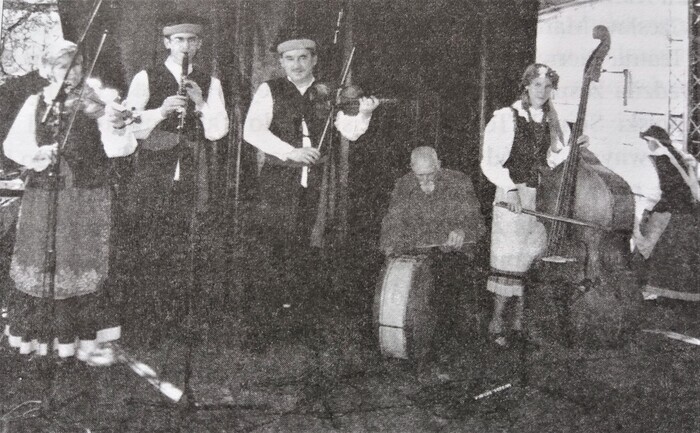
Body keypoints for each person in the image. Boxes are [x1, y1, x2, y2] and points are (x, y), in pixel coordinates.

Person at [2, 39, 137, 364]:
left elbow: (120, 148)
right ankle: (44, 343)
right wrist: (37, 153)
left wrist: (118, 125)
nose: (71, 72)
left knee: (80, 262)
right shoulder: (37, 102)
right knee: (44, 262)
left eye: (76, 65)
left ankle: (81, 345)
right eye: (63, 66)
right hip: (45, 195)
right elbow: (13, 145)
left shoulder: (99, 100)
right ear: (49, 70)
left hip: (86, 196)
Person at [242, 28, 379, 342]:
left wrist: (364, 114)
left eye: (303, 57)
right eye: (290, 58)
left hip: (316, 182)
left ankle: (301, 326)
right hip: (278, 181)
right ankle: (263, 328)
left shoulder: (328, 92)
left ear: (314, 60)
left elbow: (350, 131)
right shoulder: (269, 89)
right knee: (272, 249)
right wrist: (291, 151)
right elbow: (253, 131)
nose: (297, 64)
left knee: (307, 253)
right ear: (281, 62)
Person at [123, 15, 229, 331]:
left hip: (193, 168)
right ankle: (148, 318)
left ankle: (182, 318)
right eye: (179, 40)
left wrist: (201, 103)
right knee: (151, 238)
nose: (185, 46)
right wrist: (161, 111)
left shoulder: (210, 82)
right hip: (154, 169)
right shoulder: (146, 77)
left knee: (188, 240)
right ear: (167, 43)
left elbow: (218, 131)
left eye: (191, 40)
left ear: (199, 44)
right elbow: (128, 126)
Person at [481, 63, 584, 346]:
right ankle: (497, 324)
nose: (542, 91)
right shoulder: (507, 117)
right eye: (537, 84)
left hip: (538, 198)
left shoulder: (552, 120)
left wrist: (570, 150)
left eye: (548, 86)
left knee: (530, 260)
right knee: (509, 261)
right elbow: (489, 162)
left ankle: (519, 325)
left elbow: (550, 161)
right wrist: (510, 189)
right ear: (526, 86)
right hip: (512, 196)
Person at [380, 146, 485, 343]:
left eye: (431, 174)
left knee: (445, 285)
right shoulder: (403, 185)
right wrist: (391, 247)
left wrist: (463, 231)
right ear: (411, 168)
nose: (426, 180)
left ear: (439, 165)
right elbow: (391, 223)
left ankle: (444, 344)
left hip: (450, 253)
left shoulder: (459, 182)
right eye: (420, 175)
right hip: (415, 253)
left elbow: (477, 223)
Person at [634, 126, 699, 302]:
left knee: (649, 243)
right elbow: (694, 190)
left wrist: (646, 212)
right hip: (689, 215)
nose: (647, 145)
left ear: (653, 142)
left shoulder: (655, 160)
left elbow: (652, 193)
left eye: (647, 142)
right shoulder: (680, 159)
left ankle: (652, 290)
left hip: (668, 214)